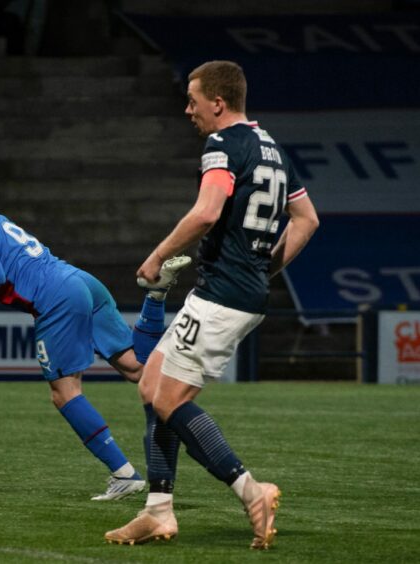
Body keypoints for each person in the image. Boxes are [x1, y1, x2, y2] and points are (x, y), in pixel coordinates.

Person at [104, 61, 319, 549]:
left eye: (192, 99)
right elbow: (306, 219)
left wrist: (158, 255)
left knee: (168, 399)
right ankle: (158, 511)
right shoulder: (274, 150)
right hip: (232, 291)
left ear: (217, 103)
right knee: (151, 385)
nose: (187, 109)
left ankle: (251, 490)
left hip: (223, 296)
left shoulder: (222, 144)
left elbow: (207, 211)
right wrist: (262, 267)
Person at [0, 171, 191, 501]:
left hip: (55, 297)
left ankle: (123, 474)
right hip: (77, 280)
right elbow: (7, 262)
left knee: (64, 393)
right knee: (136, 370)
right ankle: (155, 297)